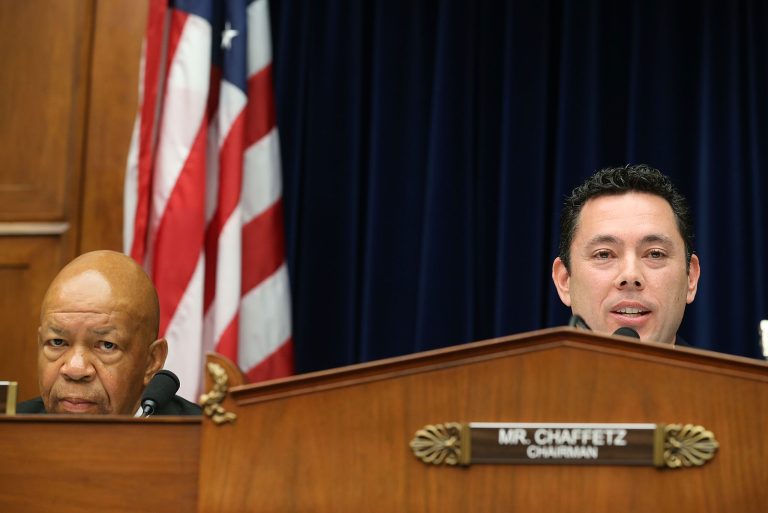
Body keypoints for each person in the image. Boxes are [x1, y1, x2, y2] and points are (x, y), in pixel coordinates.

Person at [17, 250, 201, 415]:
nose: (75, 369)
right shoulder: (11, 433)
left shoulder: (204, 441)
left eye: (106, 345)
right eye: (57, 342)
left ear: (152, 361)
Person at [551, 164, 701, 345]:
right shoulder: (519, 374)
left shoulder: (731, 375)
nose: (630, 275)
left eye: (655, 254)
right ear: (564, 280)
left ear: (691, 278)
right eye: (604, 254)